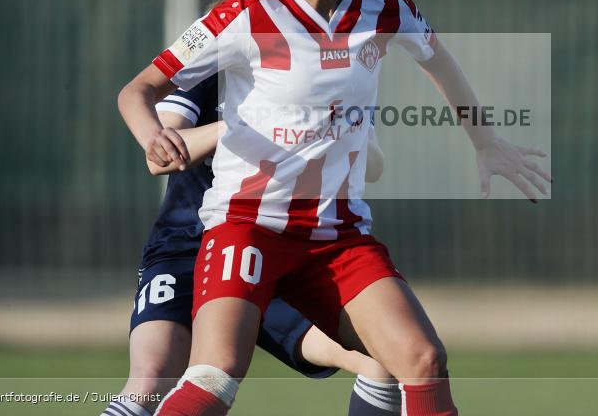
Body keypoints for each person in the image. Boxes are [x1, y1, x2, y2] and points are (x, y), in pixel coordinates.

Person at [118, 0, 550, 416]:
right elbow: (138, 90)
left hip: (337, 238)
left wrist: (484, 139)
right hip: (248, 226)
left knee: (422, 360)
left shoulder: (382, 4)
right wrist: (152, 135)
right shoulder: (246, 13)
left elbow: (440, 60)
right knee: (215, 375)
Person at [102, 73, 398, 416]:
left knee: (384, 361)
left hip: (278, 256)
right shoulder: (215, 61)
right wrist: (251, 122)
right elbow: (159, 158)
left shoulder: (331, 72)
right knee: (151, 381)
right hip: (187, 248)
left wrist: (332, 129)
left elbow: (373, 166)